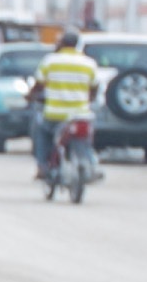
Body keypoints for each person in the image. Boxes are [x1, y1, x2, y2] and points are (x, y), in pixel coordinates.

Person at [32, 23, 100, 181]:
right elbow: (94, 88)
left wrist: (30, 96)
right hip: (81, 115)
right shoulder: (89, 63)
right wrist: (88, 99)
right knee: (85, 139)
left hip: (55, 115)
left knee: (41, 131)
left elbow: (38, 85)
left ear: (61, 43)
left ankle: (42, 165)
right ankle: (90, 163)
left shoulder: (50, 61)